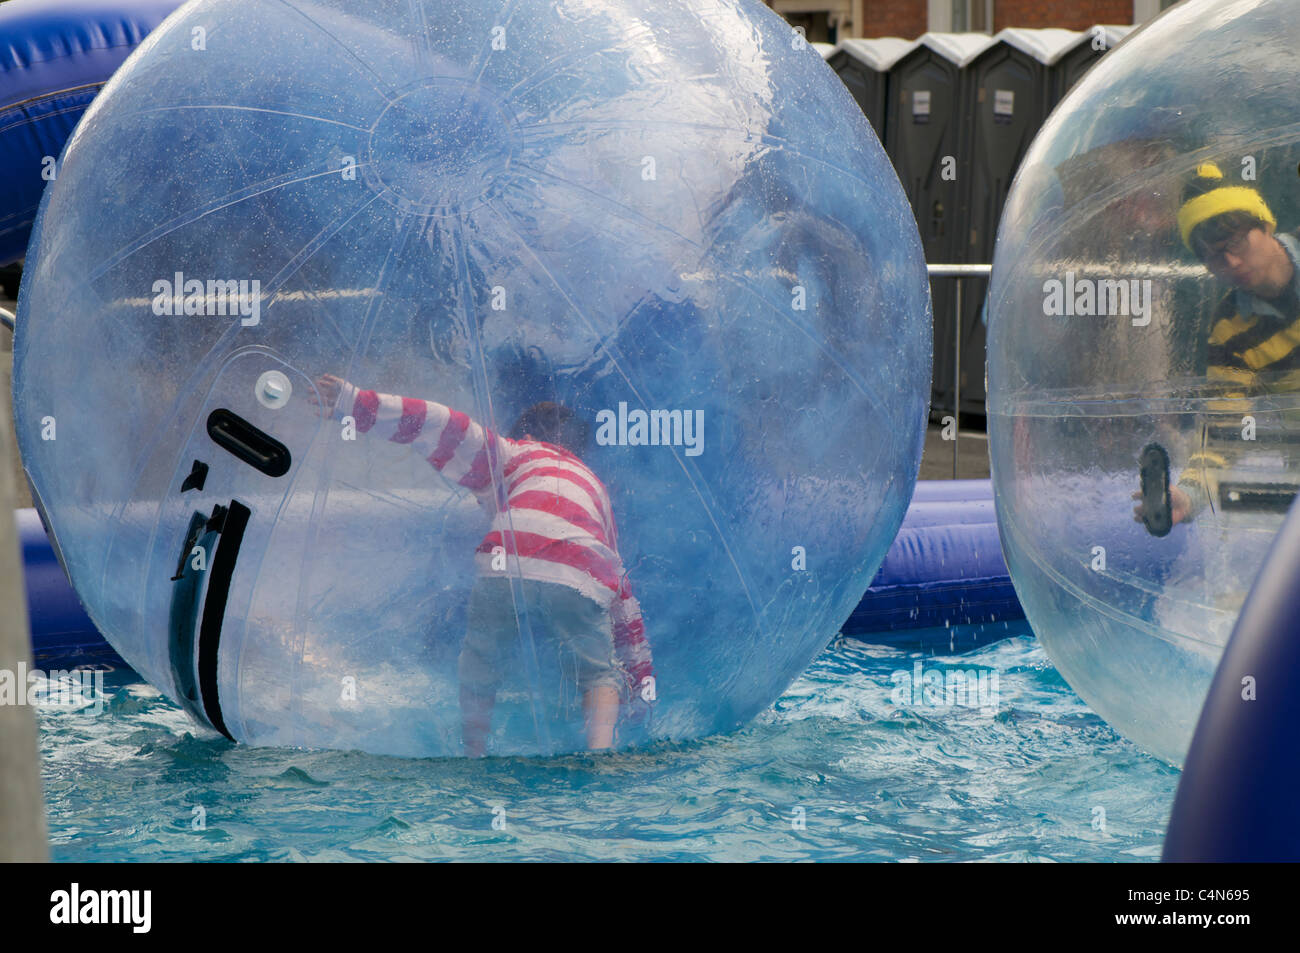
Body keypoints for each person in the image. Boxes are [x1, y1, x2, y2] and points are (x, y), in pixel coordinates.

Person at [310, 374, 654, 755]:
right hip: (580, 569)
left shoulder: (514, 452)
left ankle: (473, 749)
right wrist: (641, 683)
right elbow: (622, 598)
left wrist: (356, 403)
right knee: (597, 673)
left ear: (523, 437)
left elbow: (443, 424)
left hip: (503, 561)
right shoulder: (595, 490)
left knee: (480, 658)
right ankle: (601, 752)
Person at [1134, 162, 1300, 528]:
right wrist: (1187, 496)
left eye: (1235, 242)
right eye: (1212, 256)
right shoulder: (1230, 331)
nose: (1231, 262)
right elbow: (1224, 433)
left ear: (1266, 224)